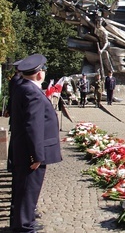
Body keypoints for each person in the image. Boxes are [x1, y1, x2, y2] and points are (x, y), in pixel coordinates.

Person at [10, 54, 62, 232]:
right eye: (43, 70)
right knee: (27, 193)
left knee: (25, 193)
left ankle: (25, 222)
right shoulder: (32, 92)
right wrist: (36, 155)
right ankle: (24, 227)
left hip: (23, 150)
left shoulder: (24, 88)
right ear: (40, 74)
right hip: (29, 154)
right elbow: (33, 126)